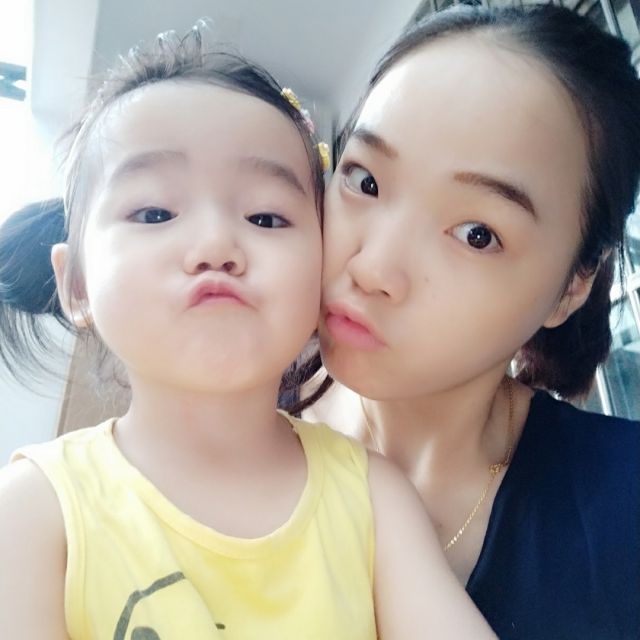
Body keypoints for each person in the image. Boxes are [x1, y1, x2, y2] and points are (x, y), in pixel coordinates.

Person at [0, 25, 496, 640]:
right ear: (76, 284)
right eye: (154, 213)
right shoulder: (36, 510)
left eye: (266, 217)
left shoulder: (374, 496)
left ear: (322, 267)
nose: (216, 245)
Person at [303, 5, 640, 639]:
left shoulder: (625, 504)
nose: (372, 269)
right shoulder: (231, 427)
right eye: (365, 181)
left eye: (477, 234)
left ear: (572, 286)